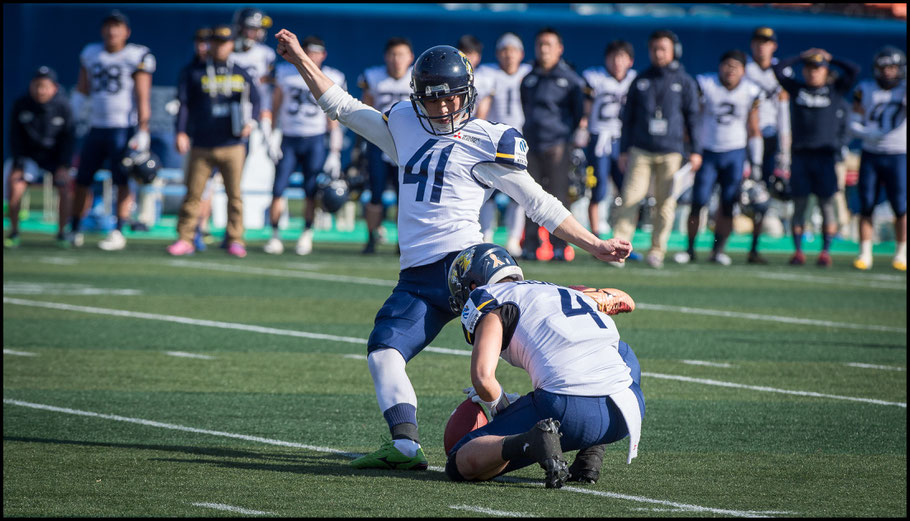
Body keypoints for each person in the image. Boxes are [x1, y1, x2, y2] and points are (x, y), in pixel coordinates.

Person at [275, 28, 632, 471]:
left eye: (451, 97)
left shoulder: (487, 138)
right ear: (417, 95)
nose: (442, 107)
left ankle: (579, 416)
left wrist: (594, 243)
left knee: (524, 327)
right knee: (383, 351)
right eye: (432, 98)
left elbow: (538, 203)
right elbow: (344, 107)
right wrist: (301, 62)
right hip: (418, 274)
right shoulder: (405, 123)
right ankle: (406, 444)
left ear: (468, 93)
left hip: (469, 263)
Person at [444, 243, 644, 488]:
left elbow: (483, 377)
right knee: (620, 350)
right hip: (627, 411)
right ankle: (592, 452)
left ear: (473, 285)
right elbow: (627, 300)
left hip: (571, 411)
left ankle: (532, 441)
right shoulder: (562, 290)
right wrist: (597, 297)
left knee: (459, 461)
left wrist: (502, 407)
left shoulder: (487, 297)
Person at [167, 24, 261, 258]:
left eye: (225, 42)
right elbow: (184, 104)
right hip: (202, 142)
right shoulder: (194, 72)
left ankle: (236, 238)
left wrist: (253, 123)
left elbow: (257, 100)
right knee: (193, 194)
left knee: (235, 195)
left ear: (232, 45)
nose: (220, 47)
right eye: (216, 42)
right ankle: (186, 237)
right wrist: (180, 132)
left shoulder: (240, 71)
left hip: (232, 144)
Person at [613, 29, 702, 269]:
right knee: (630, 198)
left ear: (674, 51)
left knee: (665, 203)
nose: (658, 53)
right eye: (654, 48)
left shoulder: (684, 81)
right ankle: (619, 250)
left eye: (663, 48)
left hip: (671, 151)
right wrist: (623, 150)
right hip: (641, 150)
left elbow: (693, 118)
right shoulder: (640, 80)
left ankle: (657, 250)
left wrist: (696, 150)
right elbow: (627, 119)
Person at [69, 10, 156, 250]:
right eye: (108, 26)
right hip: (97, 126)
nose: (111, 31)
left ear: (126, 32)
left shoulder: (137, 55)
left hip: (123, 127)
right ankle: (74, 227)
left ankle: (118, 229)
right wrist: (76, 112)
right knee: (83, 178)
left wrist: (143, 129)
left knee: (122, 180)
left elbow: (142, 94)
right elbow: (83, 88)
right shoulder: (91, 53)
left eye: (117, 26)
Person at [673, 50, 762, 266]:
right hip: (708, 151)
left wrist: (756, 161)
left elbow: (753, 128)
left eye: (736, 66)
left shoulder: (750, 91)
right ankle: (690, 248)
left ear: (743, 70)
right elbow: (693, 118)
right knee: (698, 201)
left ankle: (718, 250)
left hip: (735, 151)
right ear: (720, 66)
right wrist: (691, 148)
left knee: (729, 203)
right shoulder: (707, 85)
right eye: (727, 64)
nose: (730, 70)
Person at [773, 48, 859, 267]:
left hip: (825, 157)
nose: (813, 73)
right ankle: (799, 251)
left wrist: (832, 57)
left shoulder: (834, 91)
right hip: (801, 156)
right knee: (800, 205)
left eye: (818, 68)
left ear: (825, 71)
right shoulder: (797, 89)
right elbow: (779, 68)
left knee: (827, 205)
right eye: (809, 68)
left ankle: (825, 252)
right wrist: (801, 56)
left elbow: (854, 70)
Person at [265, 35, 346, 256]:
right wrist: (271, 134)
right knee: (278, 188)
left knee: (310, 191)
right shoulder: (285, 73)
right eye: (308, 51)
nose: (312, 56)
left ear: (324, 55)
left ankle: (306, 234)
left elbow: (334, 116)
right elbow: (275, 105)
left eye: (316, 52)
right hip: (289, 138)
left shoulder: (332, 76)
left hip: (314, 139)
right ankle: (274, 235)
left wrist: (334, 152)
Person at [519, 27, 588, 262]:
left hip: (558, 144)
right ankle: (529, 245)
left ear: (559, 49)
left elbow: (577, 112)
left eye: (549, 45)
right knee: (528, 196)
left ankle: (559, 246)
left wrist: (564, 136)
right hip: (531, 145)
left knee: (558, 196)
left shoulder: (570, 80)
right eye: (540, 45)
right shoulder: (529, 78)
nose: (544, 49)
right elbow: (525, 107)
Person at [474, 32, 532, 258]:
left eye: (513, 50)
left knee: (518, 193)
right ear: (498, 54)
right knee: (486, 190)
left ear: (521, 54)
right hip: (492, 139)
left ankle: (513, 239)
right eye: (504, 50)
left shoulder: (528, 74)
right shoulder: (489, 73)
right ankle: (486, 235)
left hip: (520, 142)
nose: (509, 55)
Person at [850, 46, 906, 271]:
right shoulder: (865, 89)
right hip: (871, 152)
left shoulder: (903, 90)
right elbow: (854, 121)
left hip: (898, 152)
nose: (888, 72)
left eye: (892, 67)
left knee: (901, 206)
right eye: (884, 68)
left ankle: (902, 252)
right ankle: (865, 253)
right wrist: (866, 133)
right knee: (866, 204)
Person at [4, 66, 75, 248]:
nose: (40, 90)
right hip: (29, 158)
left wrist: (64, 166)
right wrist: (19, 164)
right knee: (15, 183)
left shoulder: (64, 107)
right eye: (37, 85)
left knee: (66, 187)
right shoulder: (21, 105)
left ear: (54, 88)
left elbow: (69, 140)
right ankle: (14, 231)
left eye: (45, 86)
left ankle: (62, 233)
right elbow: (15, 137)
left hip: (55, 159)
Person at [358, 37, 414, 254]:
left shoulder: (417, 77)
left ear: (410, 57)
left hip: (407, 145)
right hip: (379, 143)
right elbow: (363, 110)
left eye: (401, 54)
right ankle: (371, 238)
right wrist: (359, 146)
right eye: (392, 54)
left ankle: (403, 242)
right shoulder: (374, 77)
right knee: (375, 193)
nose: (396, 60)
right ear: (385, 57)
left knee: (406, 196)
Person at [581, 40, 637, 239]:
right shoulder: (595, 77)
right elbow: (586, 110)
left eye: (621, 56)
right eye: (613, 56)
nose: (617, 61)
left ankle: (623, 235)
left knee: (628, 190)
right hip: (599, 139)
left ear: (630, 61)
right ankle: (596, 235)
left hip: (624, 140)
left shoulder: (635, 80)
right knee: (598, 189)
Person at [745, 26, 791, 265]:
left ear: (774, 45)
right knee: (735, 194)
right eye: (758, 42)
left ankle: (753, 247)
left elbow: (784, 111)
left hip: (770, 138)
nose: (762, 46)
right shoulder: (744, 68)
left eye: (767, 42)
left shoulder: (780, 71)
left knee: (762, 196)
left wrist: (785, 150)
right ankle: (716, 248)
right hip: (742, 137)